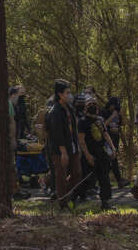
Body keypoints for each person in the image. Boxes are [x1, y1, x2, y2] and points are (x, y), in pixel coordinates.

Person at [78, 93, 114, 209]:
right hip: (89, 153)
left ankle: (105, 202)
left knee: (104, 177)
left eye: (94, 104)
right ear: (85, 106)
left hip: (101, 152)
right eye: (90, 104)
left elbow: (106, 134)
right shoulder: (82, 121)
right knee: (85, 177)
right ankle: (77, 198)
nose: (93, 105)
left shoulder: (100, 119)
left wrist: (113, 148)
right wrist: (88, 156)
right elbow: (81, 140)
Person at [46, 80, 78, 208]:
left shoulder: (69, 108)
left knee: (77, 173)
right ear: (60, 94)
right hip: (59, 150)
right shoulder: (55, 112)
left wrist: (78, 147)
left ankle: (63, 193)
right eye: (67, 93)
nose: (70, 95)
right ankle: (62, 202)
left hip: (73, 146)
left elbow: (74, 129)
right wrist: (63, 152)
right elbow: (57, 134)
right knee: (61, 175)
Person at [102, 96, 127, 187]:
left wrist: (121, 114)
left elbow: (123, 123)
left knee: (113, 159)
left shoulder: (117, 113)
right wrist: (112, 116)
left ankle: (109, 180)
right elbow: (103, 125)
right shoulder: (104, 112)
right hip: (108, 138)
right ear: (110, 105)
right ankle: (118, 180)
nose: (115, 108)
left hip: (116, 137)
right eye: (114, 106)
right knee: (111, 159)